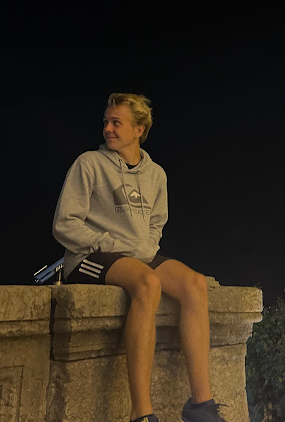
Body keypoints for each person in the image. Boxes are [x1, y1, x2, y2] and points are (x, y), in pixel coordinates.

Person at [53, 93, 227, 422]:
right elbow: (64, 224)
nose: (107, 128)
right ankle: (141, 413)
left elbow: (156, 224)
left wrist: (144, 247)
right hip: (90, 256)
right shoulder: (88, 164)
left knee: (195, 284)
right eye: (106, 121)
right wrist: (107, 242)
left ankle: (200, 406)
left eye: (116, 122)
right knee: (147, 284)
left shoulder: (156, 175)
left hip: (138, 255)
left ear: (139, 130)